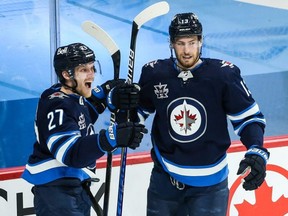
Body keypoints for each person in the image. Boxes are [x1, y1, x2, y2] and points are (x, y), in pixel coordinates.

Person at [134, 13, 270, 216]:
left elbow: (249, 119)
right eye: (180, 43)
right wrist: (120, 105)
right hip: (164, 181)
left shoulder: (223, 75)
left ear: (201, 41)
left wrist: (256, 149)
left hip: (210, 187)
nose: (187, 51)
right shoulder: (154, 73)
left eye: (192, 42)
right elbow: (136, 114)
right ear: (171, 44)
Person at [21, 42, 147, 216]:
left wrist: (110, 96)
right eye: (83, 70)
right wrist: (111, 137)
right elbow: (70, 153)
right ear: (66, 74)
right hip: (57, 193)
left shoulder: (69, 95)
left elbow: (85, 112)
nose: (92, 75)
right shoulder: (56, 105)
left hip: (73, 187)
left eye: (92, 68)